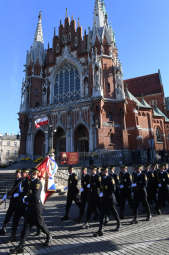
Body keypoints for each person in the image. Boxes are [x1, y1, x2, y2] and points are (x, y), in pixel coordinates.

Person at [10, 169, 51, 254]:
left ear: (36, 174)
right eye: (31, 174)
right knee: (26, 227)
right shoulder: (29, 182)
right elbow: (26, 192)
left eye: (33, 174)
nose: (32, 175)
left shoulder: (38, 183)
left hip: (36, 208)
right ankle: (21, 246)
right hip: (30, 208)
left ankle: (49, 236)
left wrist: (26, 198)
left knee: (40, 224)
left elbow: (35, 196)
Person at [94, 168, 120, 237]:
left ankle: (118, 223)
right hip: (104, 199)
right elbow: (100, 188)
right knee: (102, 214)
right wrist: (100, 194)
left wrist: (106, 193)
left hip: (110, 199)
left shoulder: (110, 178)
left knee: (114, 212)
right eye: (102, 171)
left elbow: (113, 189)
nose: (102, 173)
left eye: (104, 171)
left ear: (106, 171)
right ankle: (100, 229)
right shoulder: (102, 179)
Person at [10, 169, 30, 241]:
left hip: (25, 205)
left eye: (23, 173)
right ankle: (13, 235)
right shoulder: (19, 180)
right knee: (15, 219)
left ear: (27, 174)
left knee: (29, 220)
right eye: (21, 172)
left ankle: (39, 230)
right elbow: (15, 189)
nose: (21, 173)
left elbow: (27, 192)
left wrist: (19, 194)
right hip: (18, 204)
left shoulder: (28, 182)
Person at [0, 169, 22, 235]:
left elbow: (18, 191)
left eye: (18, 173)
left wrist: (12, 194)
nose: (17, 174)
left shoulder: (21, 181)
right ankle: (3, 228)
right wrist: (6, 196)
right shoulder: (17, 180)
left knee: (17, 217)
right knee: (8, 215)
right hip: (13, 202)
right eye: (16, 173)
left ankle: (38, 227)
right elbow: (13, 190)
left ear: (21, 174)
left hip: (18, 202)